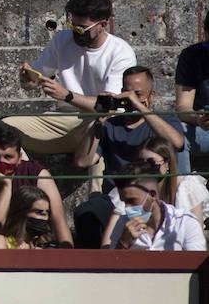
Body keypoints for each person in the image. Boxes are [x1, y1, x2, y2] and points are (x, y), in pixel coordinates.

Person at [4, 0, 136, 163]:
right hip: (65, 118)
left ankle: (99, 190)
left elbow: (109, 106)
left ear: (102, 24)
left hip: (98, 119)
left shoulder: (120, 52)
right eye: (72, 26)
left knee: (102, 130)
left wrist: (67, 95)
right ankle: (30, 176)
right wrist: (27, 79)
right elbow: (35, 80)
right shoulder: (62, 39)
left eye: (81, 29)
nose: (75, 33)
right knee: (5, 129)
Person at [71, 65, 189, 246]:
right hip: (117, 195)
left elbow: (177, 143)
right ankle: (93, 267)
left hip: (154, 194)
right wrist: (97, 124)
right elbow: (83, 161)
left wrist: (141, 108)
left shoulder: (164, 120)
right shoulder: (111, 125)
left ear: (151, 96)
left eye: (138, 94)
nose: (131, 98)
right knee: (87, 212)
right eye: (127, 93)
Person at [0, 122, 72, 247]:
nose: (1, 162)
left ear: (19, 158)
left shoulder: (36, 174)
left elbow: (59, 221)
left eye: (8, 157)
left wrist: (68, 256)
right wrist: (5, 188)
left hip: (34, 245)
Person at [97, 137, 209, 247]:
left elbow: (195, 237)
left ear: (167, 164)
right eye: (141, 163)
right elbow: (107, 246)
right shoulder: (128, 193)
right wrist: (123, 243)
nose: (147, 169)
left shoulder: (186, 195)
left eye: (152, 163)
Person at [107, 164, 206, 251]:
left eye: (132, 201)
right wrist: (123, 243)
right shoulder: (122, 225)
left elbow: (197, 268)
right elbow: (110, 269)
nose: (127, 208)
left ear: (152, 195)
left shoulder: (185, 222)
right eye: (124, 202)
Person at [174, 31, 209, 158]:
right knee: (175, 135)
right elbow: (183, 108)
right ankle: (183, 178)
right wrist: (198, 118)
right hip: (203, 129)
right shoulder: (192, 56)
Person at [0, 185, 58, 250]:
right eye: (39, 212)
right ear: (21, 213)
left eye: (47, 213)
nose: (44, 218)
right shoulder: (1, 240)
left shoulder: (45, 245)